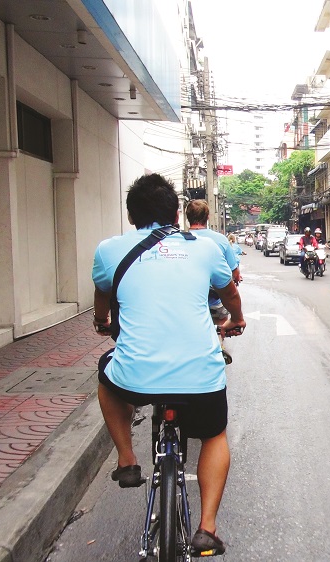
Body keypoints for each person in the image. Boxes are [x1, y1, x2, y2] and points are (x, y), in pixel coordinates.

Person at [91, 173, 245, 555]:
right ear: (176, 214)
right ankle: (207, 528)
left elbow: (102, 297)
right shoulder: (205, 248)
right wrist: (237, 320)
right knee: (214, 435)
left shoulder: (109, 250)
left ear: (131, 216)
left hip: (135, 376)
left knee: (106, 376)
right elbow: (229, 293)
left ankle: (127, 458)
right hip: (200, 375)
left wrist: (101, 322)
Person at [187, 201, 242, 364]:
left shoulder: (179, 240)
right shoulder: (220, 240)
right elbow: (235, 272)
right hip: (216, 299)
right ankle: (219, 341)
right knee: (221, 318)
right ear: (208, 217)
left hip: (190, 299)